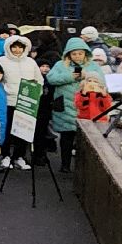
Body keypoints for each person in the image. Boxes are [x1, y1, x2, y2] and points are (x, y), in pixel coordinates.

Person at [47, 38, 108, 174]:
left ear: (85, 53)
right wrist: (70, 76)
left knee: (85, 139)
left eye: (80, 53)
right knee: (66, 136)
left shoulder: (93, 66)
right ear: (69, 54)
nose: (77, 56)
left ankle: (83, 167)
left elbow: (102, 83)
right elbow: (51, 78)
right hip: (65, 104)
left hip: (86, 105)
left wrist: (88, 78)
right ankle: (65, 164)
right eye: (74, 54)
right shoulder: (60, 65)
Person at [0, 35, 42, 170]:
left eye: (20, 47)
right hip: (8, 101)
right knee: (7, 129)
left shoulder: (30, 62)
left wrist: (36, 94)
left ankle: (19, 156)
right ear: (9, 47)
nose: (17, 50)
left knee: (23, 130)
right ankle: (5, 155)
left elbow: (38, 80)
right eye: (14, 47)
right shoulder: (1, 61)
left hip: (26, 102)